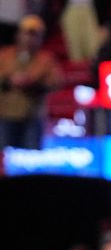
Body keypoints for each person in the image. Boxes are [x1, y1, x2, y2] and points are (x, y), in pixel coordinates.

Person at [0, 15, 62, 150]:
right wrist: (9, 81)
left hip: (33, 116)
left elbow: (55, 83)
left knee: (31, 160)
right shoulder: (4, 55)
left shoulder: (46, 59)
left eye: (35, 35)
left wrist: (33, 83)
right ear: (18, 35)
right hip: (5, 115)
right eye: (27, 33)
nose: (30, 39)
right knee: (3, 159)